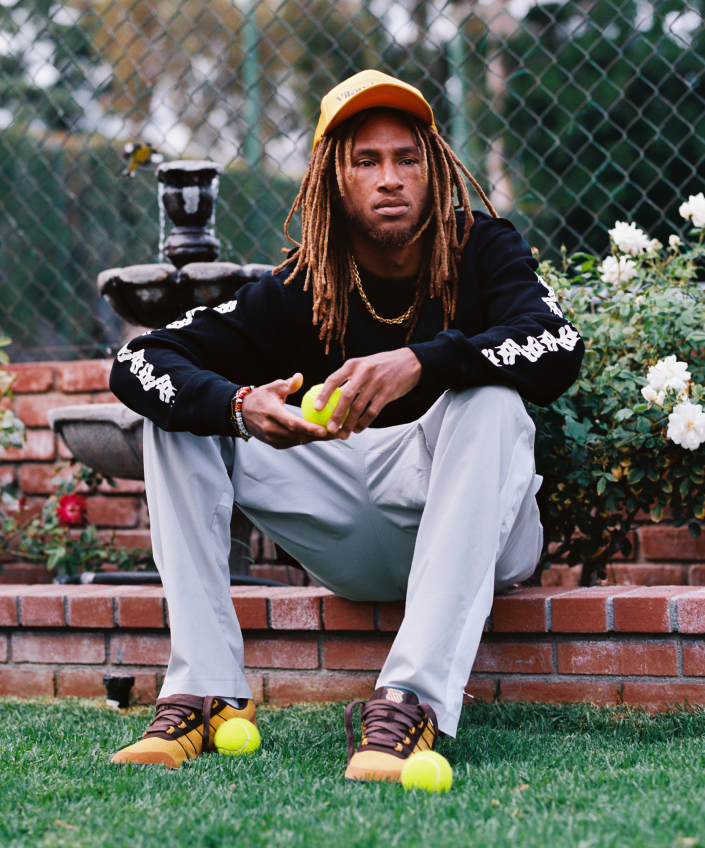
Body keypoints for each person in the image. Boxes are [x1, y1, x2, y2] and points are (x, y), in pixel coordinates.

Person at [108, 69, 584, 780]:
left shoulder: (482, 248)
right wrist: (238, 406)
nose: (390, 178)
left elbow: (556, 344)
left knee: (491, 400)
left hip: (479, 530)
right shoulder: (301, 285)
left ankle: (408, 700)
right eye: (367, 161)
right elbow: (140, 358)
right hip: (346, 523)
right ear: (334, 179)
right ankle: (204, 691)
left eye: (407, 158)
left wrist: (423, 362)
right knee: (178, 414)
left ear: (433, 170)